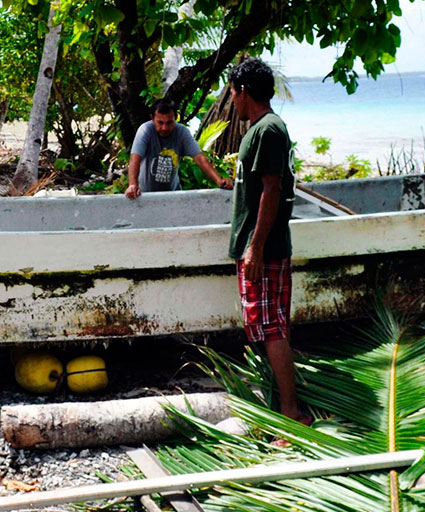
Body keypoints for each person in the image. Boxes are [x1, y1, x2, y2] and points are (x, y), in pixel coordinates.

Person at [227, 58, 309, 426]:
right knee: (266, 327)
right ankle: (280, 404)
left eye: (232, 93)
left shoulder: (267, 130)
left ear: (243, 92)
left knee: (272, 328)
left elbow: (272, 191)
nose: (232, 102)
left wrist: (255, 247)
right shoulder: (263, 129)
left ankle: (291, 412)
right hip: (260, 247)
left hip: (266, 249)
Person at [125, 99, 232, 199]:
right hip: (146, 195)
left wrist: (219, 181)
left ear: (176, 117)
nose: (165, 128)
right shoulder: (145, 130)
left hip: (173, 195)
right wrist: (133, 185)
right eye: (160, 123)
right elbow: (135, 159)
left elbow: (200, 158)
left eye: (169, 123)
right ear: (152, 118)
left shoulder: (182, 132)